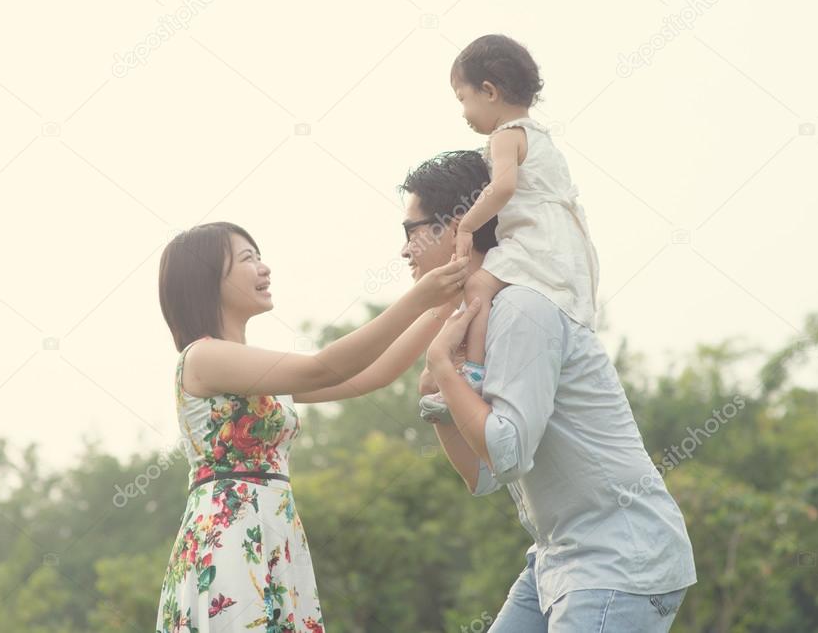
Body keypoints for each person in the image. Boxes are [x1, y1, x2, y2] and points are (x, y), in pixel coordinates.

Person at [401, 150, 697, 631]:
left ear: (457, 225)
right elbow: (485, 474)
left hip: (617, 558)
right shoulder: (484, 319)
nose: (404, 249)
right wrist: (439, 396)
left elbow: (508, 454)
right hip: (556, 559)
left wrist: (444, 368)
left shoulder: (521, 308)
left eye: (410, 230)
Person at [155, 222, 469, 632]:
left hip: (273, 530)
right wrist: (418, 297)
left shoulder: (255, 369)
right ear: (207, 277)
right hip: (230, 537)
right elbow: (321, 368)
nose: (264, 268)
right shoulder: (203, 357)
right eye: (248, 258)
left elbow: (371, 375)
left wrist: (443, 308)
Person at [420, 34, 601, 425]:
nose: (463, 112)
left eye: (462, 98)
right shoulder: (541, 139)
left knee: (477, 286)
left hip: (536, 240)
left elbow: (502, 187)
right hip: (564, 245)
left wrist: (466, 225)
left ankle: (473, 372)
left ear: (488, 91)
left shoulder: (505, 136)